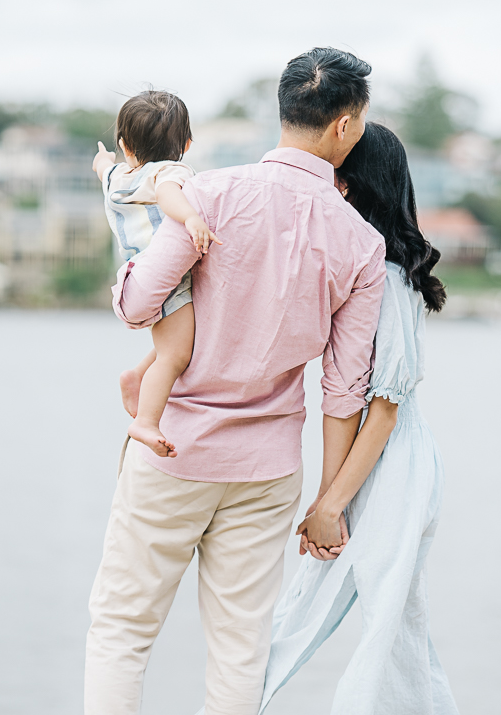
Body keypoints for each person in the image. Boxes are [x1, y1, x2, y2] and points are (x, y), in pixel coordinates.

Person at [85, 48, 388, 715]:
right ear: (344, 126)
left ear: (284, 111)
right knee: (240, 649)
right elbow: (344, 391)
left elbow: (140, 308)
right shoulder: (362, 244)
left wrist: (126, 284)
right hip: (267, 469)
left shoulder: (207, 193)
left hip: (173, 451)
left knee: (122, 632)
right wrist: (329, 501)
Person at [262, 122, 459, 714]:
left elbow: (384, 407)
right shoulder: (370, 268)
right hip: (382, 461)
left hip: (393, 463)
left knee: (390, 632)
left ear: (350, 187)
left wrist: (329, 504)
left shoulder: (392, 280)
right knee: (318, 615)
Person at [92, 90, 221, 458]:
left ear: (124, 146)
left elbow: (103, 167)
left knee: (172, 345)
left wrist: (103, 160)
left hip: (135, 273)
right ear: (188, 143)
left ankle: (136, 375)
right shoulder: (170, 173)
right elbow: (167, 195)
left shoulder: (117, 177)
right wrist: (191, 216)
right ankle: (146, 420)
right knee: (176, 356)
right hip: (169, 279)